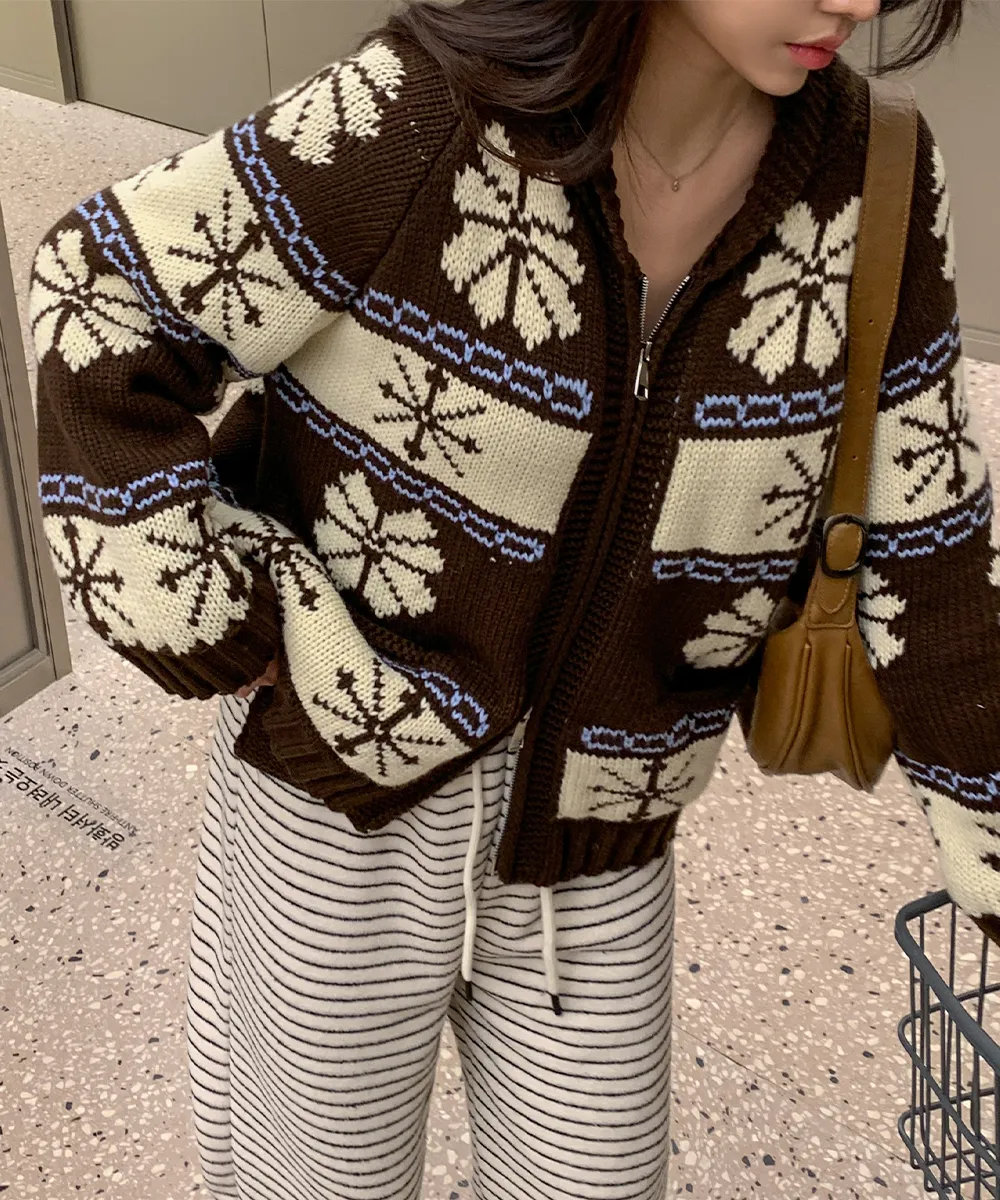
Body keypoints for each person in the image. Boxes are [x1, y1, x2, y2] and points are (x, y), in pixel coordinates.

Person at [29, 0, 995, 1195]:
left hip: (600, 850)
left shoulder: (873, 181)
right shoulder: (421, 116)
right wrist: (214, 611)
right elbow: (100, 293)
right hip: (339, 814)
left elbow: (931, 555)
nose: (858, 1)